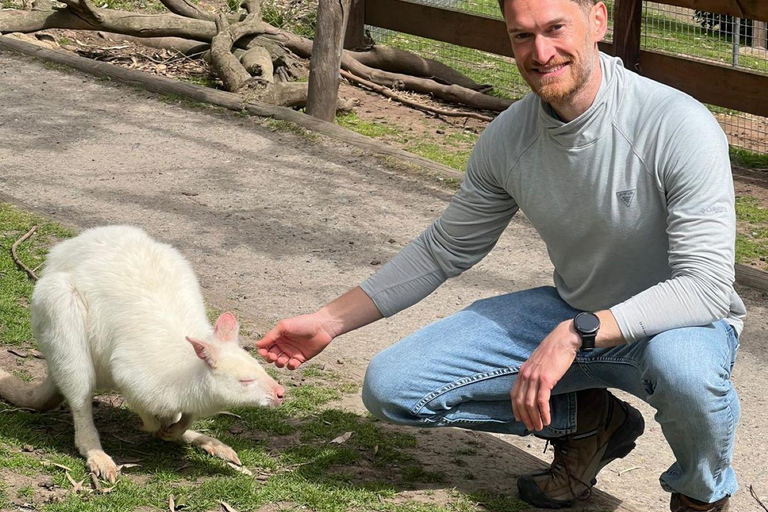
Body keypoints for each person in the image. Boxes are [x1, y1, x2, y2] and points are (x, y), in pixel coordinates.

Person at [256, 0, 745, 510]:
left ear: (597, 21)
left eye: (556, 29)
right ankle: (591, 422)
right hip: (575, 312)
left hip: (679, 325)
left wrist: (580, 332)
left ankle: (700, 493)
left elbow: (706, 287)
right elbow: (445, 248)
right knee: (392, 387)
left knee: (685, 371)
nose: (541, 52)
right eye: (522, 36)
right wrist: (329, 321)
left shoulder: (676, 123)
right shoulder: (510, 137)